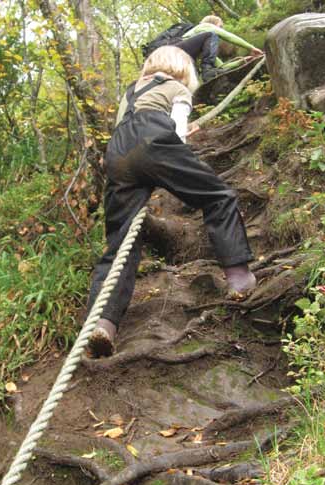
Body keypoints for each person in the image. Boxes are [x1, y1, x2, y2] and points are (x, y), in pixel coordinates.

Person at [86, 46, 256, 358]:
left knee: (120, 245)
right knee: (218, 197)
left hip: (117, 154)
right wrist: (181, 141)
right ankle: (239, 277)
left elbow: (129, 130)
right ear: (184, 69)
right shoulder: (177, 88)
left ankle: (103, 323)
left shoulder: (130, 92)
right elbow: (176, 130)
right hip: (154, 142)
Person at [143, 15, 264, 82]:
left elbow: (221, 67)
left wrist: (243, 61)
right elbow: (229, 37)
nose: (222, 30)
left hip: (166, 61)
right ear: (214, 24)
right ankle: (207, 72)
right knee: (212, 36)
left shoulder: (202, 47)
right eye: (220, 27)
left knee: (196, 75)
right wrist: (251, 47)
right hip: (170, 52)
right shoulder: (204, 27)